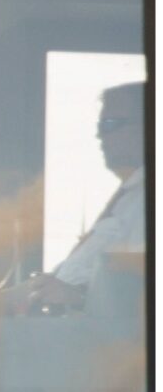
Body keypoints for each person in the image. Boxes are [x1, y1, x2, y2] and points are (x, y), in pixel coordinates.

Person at [13, 81, 147, 313]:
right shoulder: (128, 196)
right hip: (73, 331)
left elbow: (138, 294)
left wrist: (77, 296)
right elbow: (67, 278)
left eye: (110, 124)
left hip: (104, 344)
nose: (99, 136)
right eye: (100, 126)